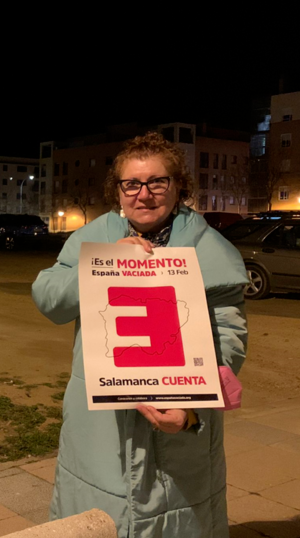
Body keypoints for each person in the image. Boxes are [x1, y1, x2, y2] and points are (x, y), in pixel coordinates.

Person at [31, 132, 248, 538]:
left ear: (178, 185)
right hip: (101, 431)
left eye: (157, 182)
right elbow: (47, 297)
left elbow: (228, 336)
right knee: (99, 520)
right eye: (131, 183)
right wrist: (100, 266)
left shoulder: (210, 247)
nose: (143, 194)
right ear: (118, 190)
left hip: (177, 429)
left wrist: (193, 411)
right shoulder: (93, 236)